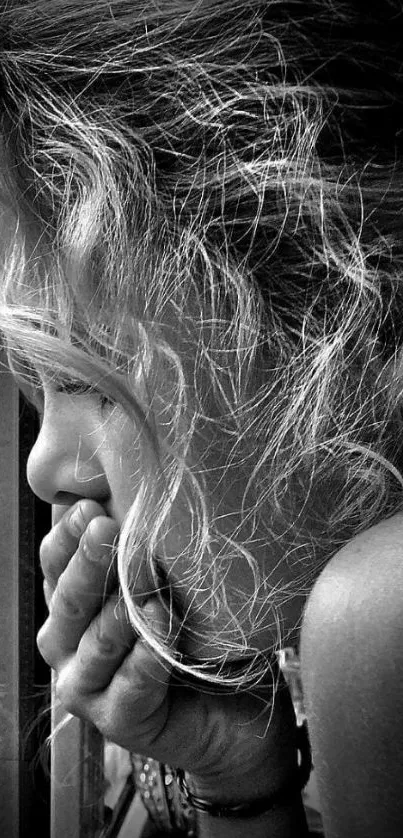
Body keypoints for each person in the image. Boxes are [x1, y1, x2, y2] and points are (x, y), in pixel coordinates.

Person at [0, 1, 402, 835]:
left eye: (94, 377)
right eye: (43, 388)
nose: (45, 466)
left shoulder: (380, 608)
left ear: (321, 303)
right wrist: (234, 768)